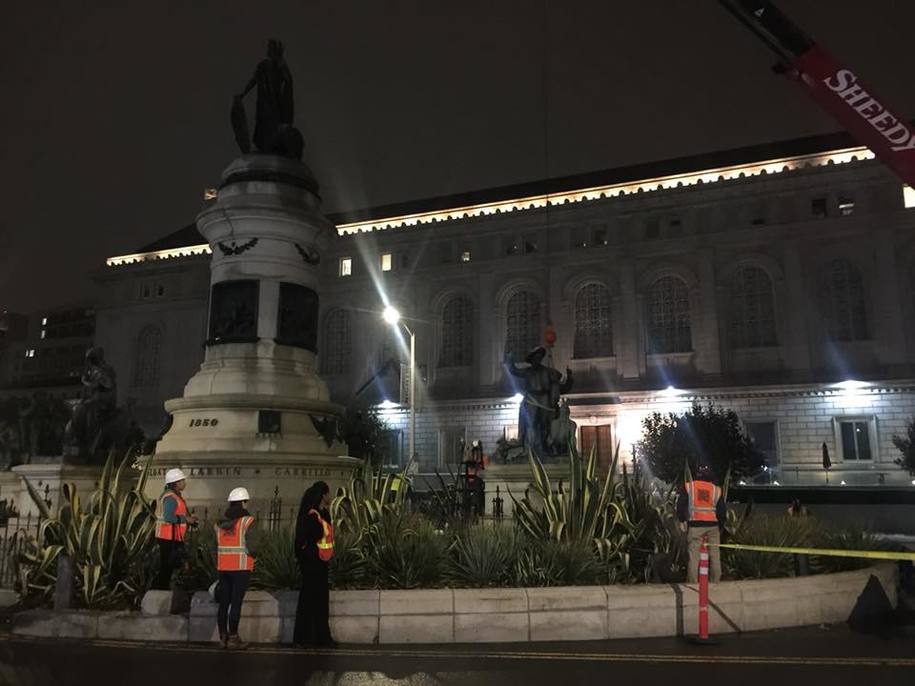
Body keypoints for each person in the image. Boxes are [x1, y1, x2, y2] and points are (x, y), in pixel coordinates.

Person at [293, 481, 335, 647]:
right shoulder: (313, 515)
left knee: (313, 600)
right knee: (314, 601)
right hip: (314, 562)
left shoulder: (317, 513)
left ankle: (314, 637)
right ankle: (311, 637)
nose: (329, 497)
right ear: (323, 495)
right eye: (328, 494)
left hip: (318, 562)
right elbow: (316, 535)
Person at [215, 487, 256, 650]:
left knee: (223, 603)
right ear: (244, 503)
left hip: (223, 567)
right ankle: (233, 637)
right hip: (240, 567)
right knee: (236, 603)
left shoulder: (219, 524)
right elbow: (254, 547)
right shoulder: (247, 522)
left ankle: (222, 637)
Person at [677, 464, 726, 583]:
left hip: (695, 525)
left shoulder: (689, 487)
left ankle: (693, 583)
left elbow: (680, 504)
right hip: (713, 525)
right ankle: (715, 582)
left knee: (694, 556)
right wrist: (720, 526)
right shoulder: (716, 490)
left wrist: (682, 520)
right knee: (715, 555)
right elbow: (722, 511)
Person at [154, 468, 197, 590]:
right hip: (168, 537)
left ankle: (164, 589)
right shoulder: (171, 497)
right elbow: (169, 517)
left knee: (168, 565)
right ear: (175, 483)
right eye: (182, 480)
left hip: (171, 536)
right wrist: (187, 520)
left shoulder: (173, 496)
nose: (184, 482)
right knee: (167, 566)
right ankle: (162, 590)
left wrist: (189, 519)